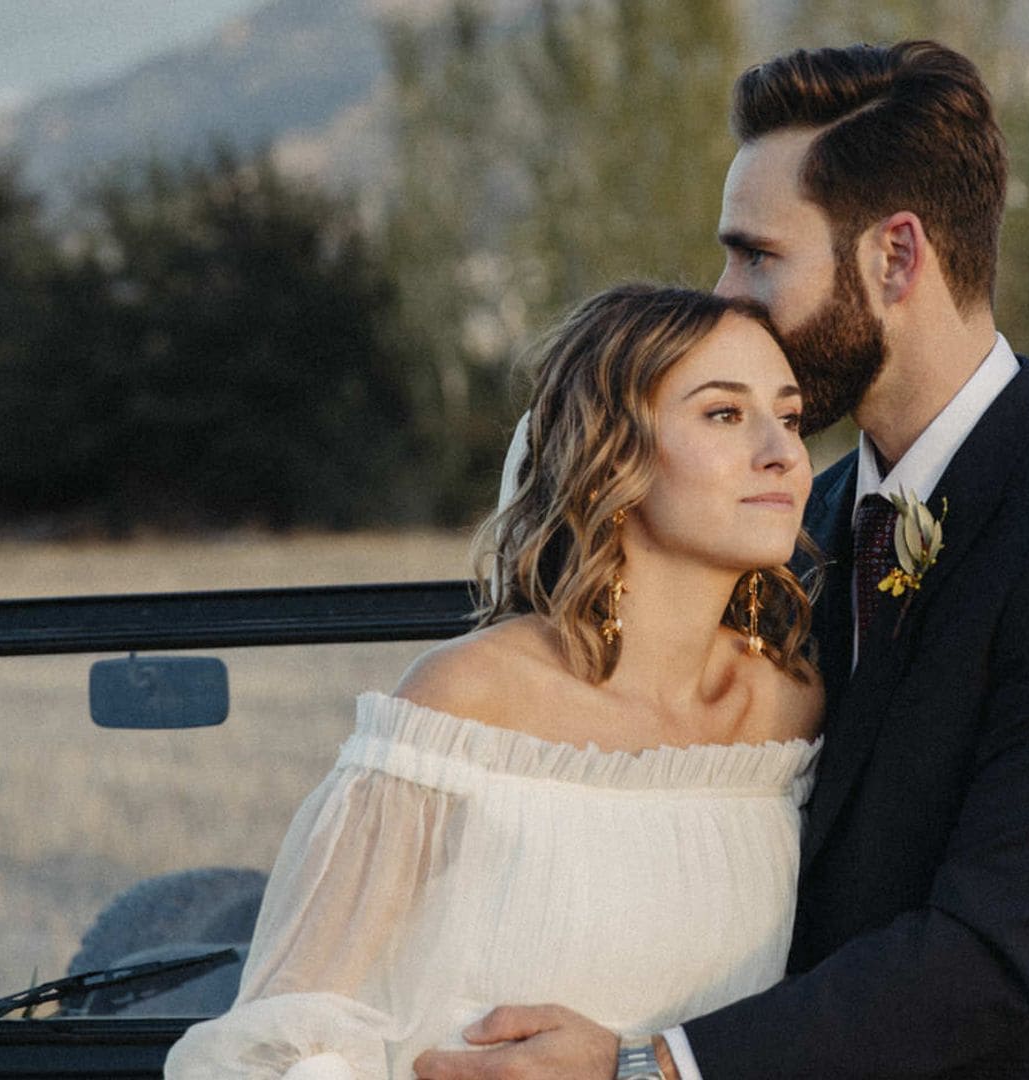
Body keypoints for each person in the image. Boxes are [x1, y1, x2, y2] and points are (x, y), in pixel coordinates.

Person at [413, 40, 1029, 1080]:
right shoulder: (799, 518)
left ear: (895, 258)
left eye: (757, 256)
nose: (726, 298)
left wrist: (650, 1069)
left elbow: (993, 955)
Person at [163, 284, 825, 1079]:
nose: (783, 452)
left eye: (788, 417)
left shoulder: (789, 710)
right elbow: (290, 1034)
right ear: (615, 452)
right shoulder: (463, 703)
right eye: (724, 414)